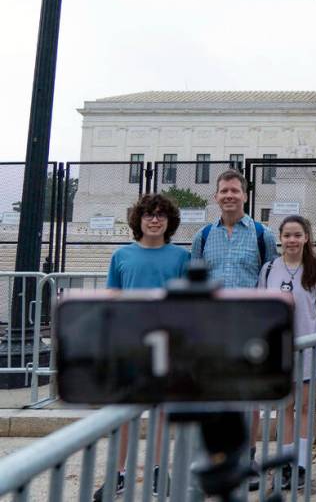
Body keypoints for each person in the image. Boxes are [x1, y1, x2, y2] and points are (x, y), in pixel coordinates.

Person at [93, 194, 189, 501]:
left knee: (161, 410)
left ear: (169, 221)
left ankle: (159, 470)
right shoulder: (121, 256)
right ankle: (118, 474)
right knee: (124, 412)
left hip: (165, 344)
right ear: (139, 220)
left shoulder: (181, 258)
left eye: (161, 215)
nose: (155, 219)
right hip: (129, 343)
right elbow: (112, 295)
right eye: (149, 214)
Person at [190, 169, 277, 490]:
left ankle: (247, 456)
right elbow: (193, 278)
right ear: (216, 196)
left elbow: (270, 278)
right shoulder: (202, 236)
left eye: (234, 191)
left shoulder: (261, 235)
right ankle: (216, 457)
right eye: (224, 191)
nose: (229, 196)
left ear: (244, 195)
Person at [257, 215, 316, 491]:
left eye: (297, 235)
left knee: (305, 407)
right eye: (287, 235)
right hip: (280, 348)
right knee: (285, 408)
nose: (292, 240)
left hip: (309, 345)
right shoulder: (269, 269)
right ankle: (285, 463)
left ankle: (301, 465)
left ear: (306, 238)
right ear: (280, 238)